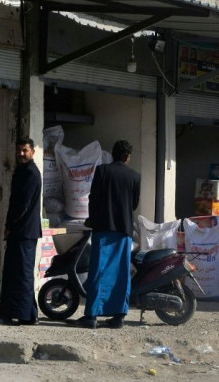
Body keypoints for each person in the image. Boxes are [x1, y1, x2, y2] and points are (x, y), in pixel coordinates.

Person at [77, 140, 140, 329]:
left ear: (112, 154)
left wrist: (91, 218)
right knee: (121, 273)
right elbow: (134, 205)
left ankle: (92, 316)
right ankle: (119, 316)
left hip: (103, 228)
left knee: (99, 270)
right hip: (123, 230)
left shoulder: (102, 171)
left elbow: (93, 197)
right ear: (128, 157)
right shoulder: (135, 177)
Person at [0, 137, 42, 326]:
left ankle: (14, 314)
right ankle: (28, 313)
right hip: (24, 232)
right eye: (19, 150)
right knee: (19, 272)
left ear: (32, 152)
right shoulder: (24, 171)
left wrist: (9, 226)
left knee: (19, 273)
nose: (21, 154)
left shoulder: (30, 174)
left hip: (23, 232)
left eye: (25, 150)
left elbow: (22, 206)